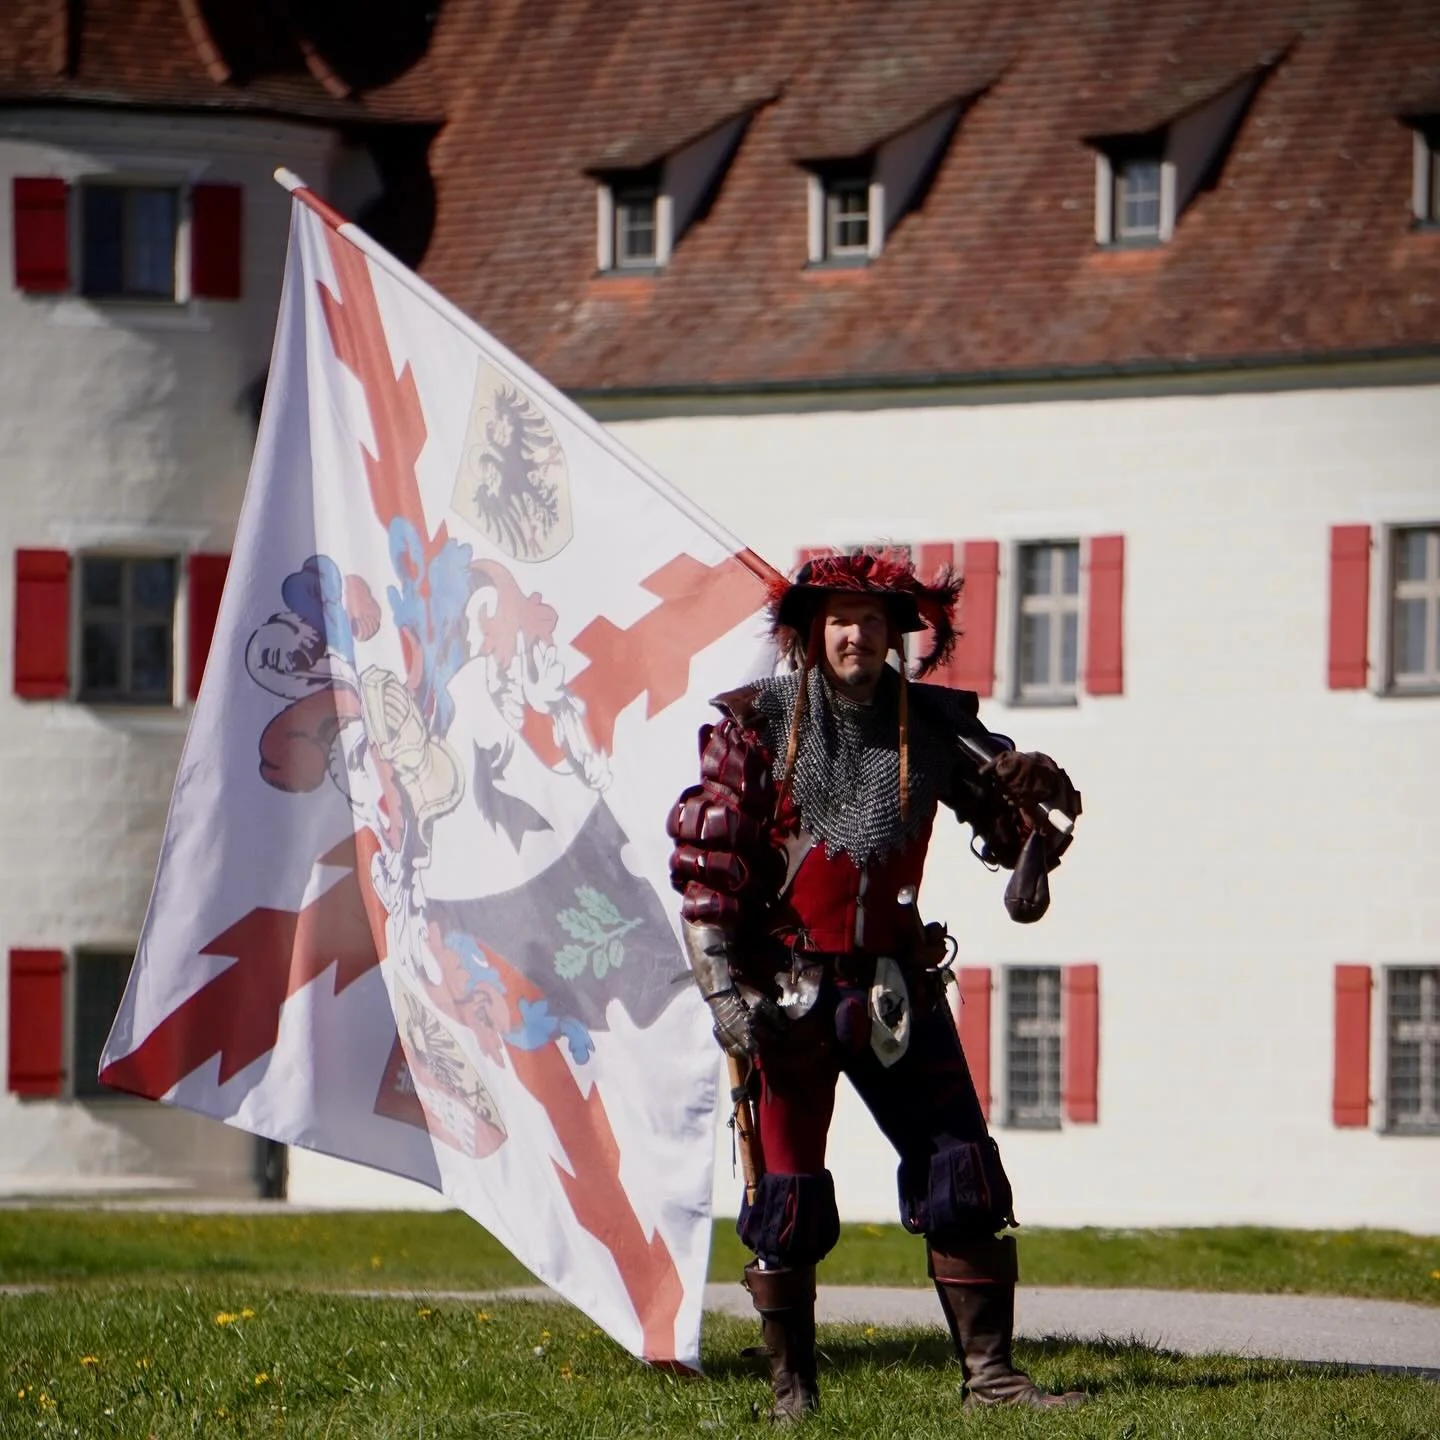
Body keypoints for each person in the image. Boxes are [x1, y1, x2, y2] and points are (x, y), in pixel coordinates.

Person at [666, 550, 1084, 1419]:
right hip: (786, 996)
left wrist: (1034, 806)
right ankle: (794, 1394)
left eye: (871, 621)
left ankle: (993, 1379)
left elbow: (1018, 846)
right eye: (838, 620)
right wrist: (721, 995)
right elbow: (707, 867)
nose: (854, 634)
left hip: (896, 988)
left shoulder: (932, 730)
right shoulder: (758, 724)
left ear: (898, 635)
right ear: (813, 632)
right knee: (784, 1192)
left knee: (960, 1167)